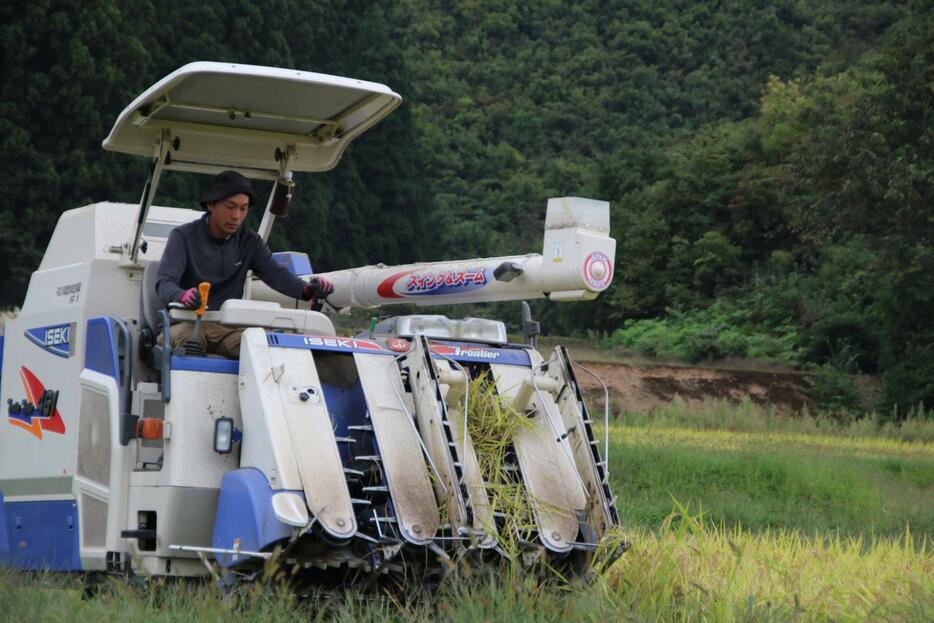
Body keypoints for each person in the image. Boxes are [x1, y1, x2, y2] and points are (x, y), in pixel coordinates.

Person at [156, 170, 333, 358]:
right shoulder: (183, 237)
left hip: (229, 327)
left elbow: (276, 274)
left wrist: (307, 290)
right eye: (230, 207)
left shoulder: (250, 242)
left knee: (260, 348)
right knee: (192, 342)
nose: (236, 216)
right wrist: (183, 295)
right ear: (210, 205)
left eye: (243, 208)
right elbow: (164, 283)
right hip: (186, 322)